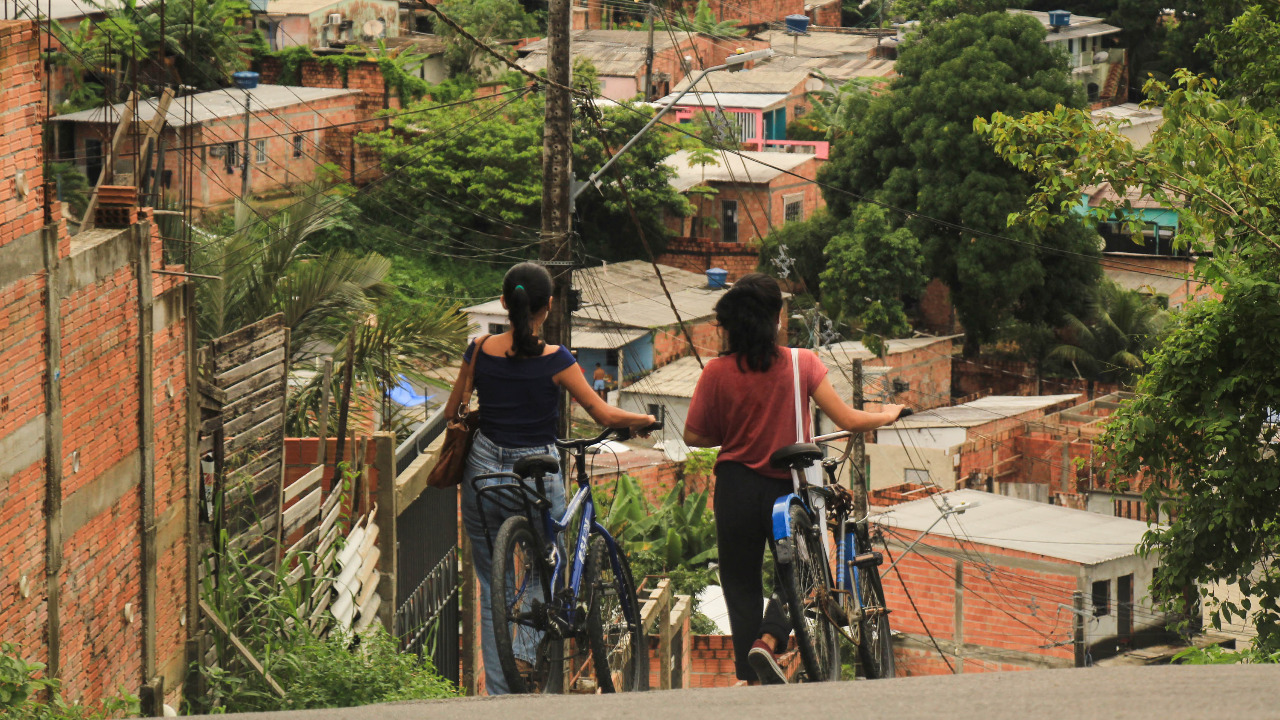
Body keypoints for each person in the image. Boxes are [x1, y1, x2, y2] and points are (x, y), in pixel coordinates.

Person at [682, 273, 905, 686]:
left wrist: (732, 434)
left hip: (734, 487)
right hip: (785, 488)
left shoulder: (715, 372)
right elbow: (848, 420)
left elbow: (693, 436)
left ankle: (753, 676)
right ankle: (768, 639)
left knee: (740, 583)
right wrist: (887, 414)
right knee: (803, 573)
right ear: (775, 319)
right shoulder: (803, 363)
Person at [446, 262, 655, 695]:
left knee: (492, 584)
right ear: (549, 307)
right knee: (548, 565)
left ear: (504, 303)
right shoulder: (557, 359)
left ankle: (503, 694)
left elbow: (454, 413)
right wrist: (644, 419)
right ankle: (524, 651)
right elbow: (603, 414)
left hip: (483, 469)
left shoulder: (478, 349)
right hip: (536, 472)